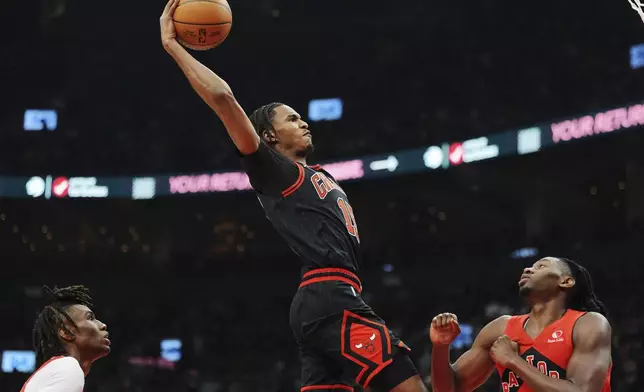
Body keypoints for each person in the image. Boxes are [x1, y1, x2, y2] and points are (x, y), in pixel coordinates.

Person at [159, 1, 427, 391]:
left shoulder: (313, 173)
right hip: (331, 296)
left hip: (322, 300)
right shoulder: (274, 171)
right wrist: (173, 45)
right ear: (268, 137)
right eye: (291, 118)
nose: (303, 121)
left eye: (301, 116)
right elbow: (224, 100)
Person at [430, 257, 612, 392]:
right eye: (530, 266)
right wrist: (440, 347)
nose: (528, 269)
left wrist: (514, 361)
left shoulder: (588, 324)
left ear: (566, 281)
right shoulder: (501, 329)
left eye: (541, 266)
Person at [21, 285, 110, 392]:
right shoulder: (68, 366)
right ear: (66, 332)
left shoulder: (59, 369)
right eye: (90, 318)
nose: (103, 325)